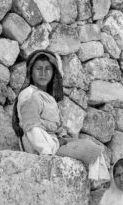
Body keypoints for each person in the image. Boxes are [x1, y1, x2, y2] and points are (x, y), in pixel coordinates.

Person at [13, 49, 110, 182]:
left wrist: (63, 139)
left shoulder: (46, 96)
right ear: (31, 71)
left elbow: (55, 127)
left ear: (54, 73)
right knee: (91, 149)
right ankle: (94, 182)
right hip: (41, 147)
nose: (43, 73)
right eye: (38, 69)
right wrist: (47, 153)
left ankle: (94, 183)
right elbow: (31, 128)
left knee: (94, 145)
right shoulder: (30, 95)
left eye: (47, 69)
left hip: (54, 143)